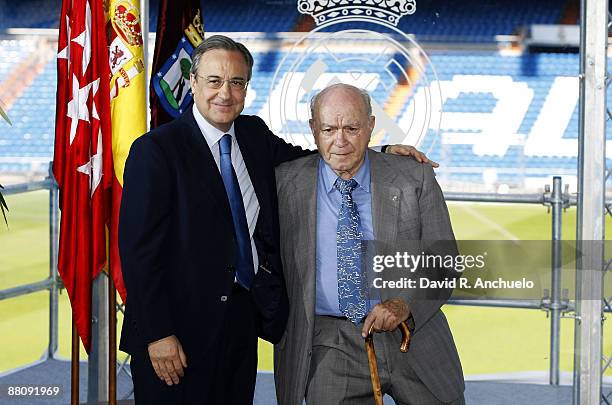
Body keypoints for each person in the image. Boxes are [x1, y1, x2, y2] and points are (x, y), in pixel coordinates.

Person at [119, 35, 432, 404]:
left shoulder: (253, 135)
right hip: (177, 330)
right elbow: (139, 254)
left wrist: (379, 151)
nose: (225, 93)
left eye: (237, 82)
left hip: (240, 319)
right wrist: (158, 334)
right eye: (214, 81)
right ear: (193, 83)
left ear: (247, 88)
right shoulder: (155, 151)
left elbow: (313, 159)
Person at [274, 84, 465, 405]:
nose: (341, 140)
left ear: (371, 126)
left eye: (352, 128)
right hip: (329, 346)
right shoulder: (283, 182)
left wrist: (404, 304)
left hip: (413, 335)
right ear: (313, 130)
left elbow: (444, 264)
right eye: (329, 129)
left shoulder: (414, 178)